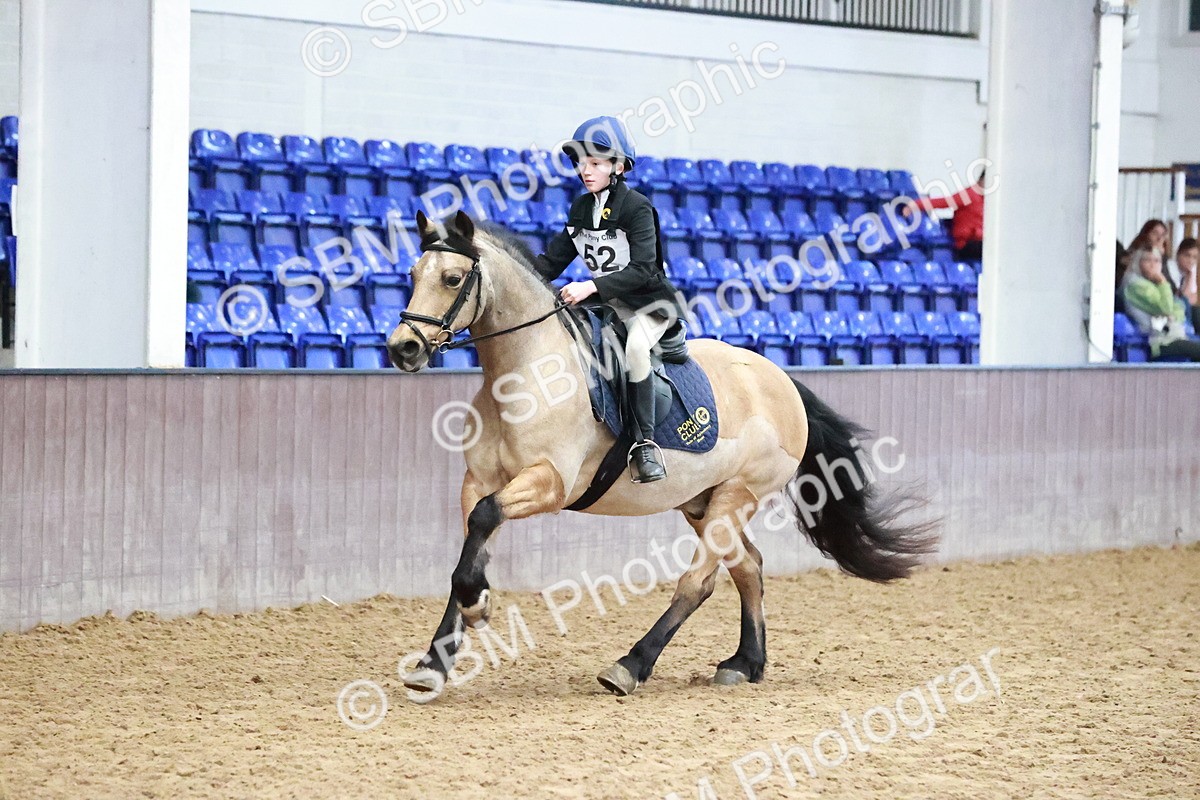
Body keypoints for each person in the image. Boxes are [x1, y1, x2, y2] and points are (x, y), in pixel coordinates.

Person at [534, 116, 690, 484]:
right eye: (580, 163)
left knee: (635, 348)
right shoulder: (580, 208)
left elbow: (644, 270)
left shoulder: (637, 207)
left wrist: (590, 286)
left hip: (648, 302)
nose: (584, 171)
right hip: (606, 305)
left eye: (595, 163)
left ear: (617, 167)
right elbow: (551, 262)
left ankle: (644, 445)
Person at [1121, 248, 1200, 361]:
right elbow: (1166, 308)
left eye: (1157, 261)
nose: (1153, 265)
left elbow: (1178, 306)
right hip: (1155, 342)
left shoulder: (1151, 283)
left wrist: (1172, 315)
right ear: (1138, 262)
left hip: (1169, 336)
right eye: (1147, 260)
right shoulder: (1136, 285)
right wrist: (1163, 282)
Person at [906, 169, 985, 262]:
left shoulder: (990, 202)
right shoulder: (969, 194)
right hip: (966, 243)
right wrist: (916, 205)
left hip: (979, 241)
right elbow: (944, 202)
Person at [1174, 237, 1199, 330]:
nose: (1191, 260)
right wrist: (1189, 278)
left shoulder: (1191, 272)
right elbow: (1183, 300)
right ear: (1178, 254)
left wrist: (1190, 276)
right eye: (1187, 255)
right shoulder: (1171, 269)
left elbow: (1193, 299)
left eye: (1194, 257)